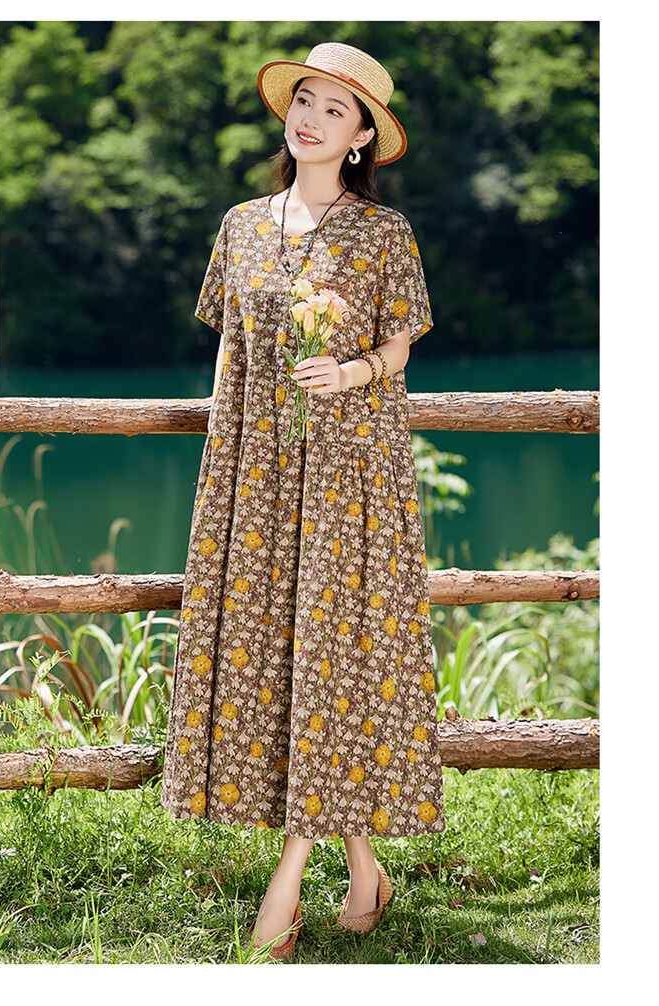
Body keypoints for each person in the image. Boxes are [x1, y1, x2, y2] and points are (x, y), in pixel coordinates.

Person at [159, 41, 445, 961]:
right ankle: (365, 869)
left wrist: (349, 370)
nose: (311, 118)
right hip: (256, 472)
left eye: (334, 108)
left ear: (361, 137)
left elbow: (399, 348)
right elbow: (229, 349)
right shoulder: (242, 225)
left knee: (336, 658)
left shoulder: (385, 233)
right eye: (305, 100)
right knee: (284, 658)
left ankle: (287, 881)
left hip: (353, 472)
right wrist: (225, 457)